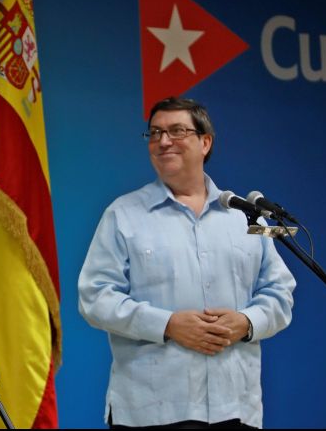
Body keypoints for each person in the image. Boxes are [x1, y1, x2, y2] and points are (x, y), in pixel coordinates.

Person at [78, 97, 296, 429]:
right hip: (152, 410)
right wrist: (167, 324)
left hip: (236, 406)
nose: (163, 141)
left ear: (205, 142)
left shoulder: (246, 217)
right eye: (155, 133)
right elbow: (95, 298)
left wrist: (247, 322)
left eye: (177, 131)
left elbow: (281, 293)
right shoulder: (122, 214)